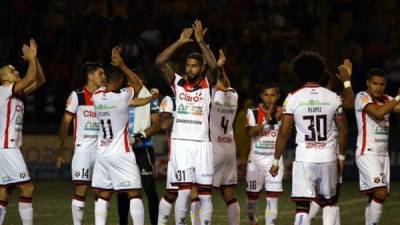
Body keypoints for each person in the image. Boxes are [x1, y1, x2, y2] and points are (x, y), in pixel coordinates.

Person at [269, 51, 348, 225]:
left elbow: (284, 133)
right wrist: (341, 157)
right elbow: (343, 130)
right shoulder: (333, 97)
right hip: (328, 157)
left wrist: (276, 160)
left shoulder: (293, 98)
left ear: (298, 73)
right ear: (320, 72)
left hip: (305, 158)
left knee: (302, 207)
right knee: (329, 203)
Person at [155, 20, 221, 225]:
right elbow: (159, 62)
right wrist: (180, 42)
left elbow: (214, 66)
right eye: (188, 66)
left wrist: (201, 41)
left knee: (205, 195)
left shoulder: (208, 84)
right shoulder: (177, 83)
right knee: (183, 193)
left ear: (201, 68)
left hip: (202, 144)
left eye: (194, 66)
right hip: (181, 143)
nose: (190, 69)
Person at [91, 47, 145, 225]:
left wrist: (112, 71)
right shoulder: (122, 97)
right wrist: (122, 65)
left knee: (104, 195)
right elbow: (138, 85)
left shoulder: (97, 96)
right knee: (135, 193)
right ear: (121, 80)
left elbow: (107, 84)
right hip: (121, 153)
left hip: (103, 154)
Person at [0, 39, 45, 225]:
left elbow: (40, 80)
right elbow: (29, 77)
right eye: (12, 71)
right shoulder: (4, 91)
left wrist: (36, 58)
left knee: (4, 191)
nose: (16, 72)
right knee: (27, 188)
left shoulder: (15, 92)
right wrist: (31, 59)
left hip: (6, 148)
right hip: (7, 147)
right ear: (3, 78)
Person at [55, 61, 106, 225]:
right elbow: (65, 122)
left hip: (101, 151)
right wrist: (59, 150)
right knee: (81, 190)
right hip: (83, 151)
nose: (104, 77)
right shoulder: (77, 95)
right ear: (90, 76)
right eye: (100, 73)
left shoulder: (105, 95)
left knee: (101, 192)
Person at [309, 59, 355, 225]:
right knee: (328, 197)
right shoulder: (333, 99)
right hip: (329, 154)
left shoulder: (305, 98)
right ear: (329, 84)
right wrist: (347, 81)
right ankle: (304, 220)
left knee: (328, 197)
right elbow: (350, 103)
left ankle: (304, 218)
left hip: (310, 152)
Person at [354, 69, 400, 225]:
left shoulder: (387, 98)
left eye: (382, 84)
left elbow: (397, 108)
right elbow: (379, 113)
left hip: (383, 154)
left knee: (378, 195)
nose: (378, 87)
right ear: (368, 83)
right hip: (367, 152)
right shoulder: (362, 96)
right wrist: (398, 97)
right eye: (375, 83)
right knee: (381, 193)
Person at [117, 78, 160, 225]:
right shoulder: (120, 97)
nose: (130, 87)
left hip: (144, 149)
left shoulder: (150, 99)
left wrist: (139, 137)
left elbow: (156, 126)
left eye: (134, 84)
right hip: (125, 150)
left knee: (149, 189)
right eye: (128, 83)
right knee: (123, 190)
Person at [245, 83, 283, 225]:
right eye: (266, 95)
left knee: (272, 199)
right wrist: (266, 120)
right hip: (255, 160)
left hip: (275, 160)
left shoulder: (284, 113)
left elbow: (286, 134)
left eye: (273, 95)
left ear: (277, 96)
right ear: (261, 96)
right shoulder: (253, 111)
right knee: (251, 200)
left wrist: (282, 119)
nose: (269, 98)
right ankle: (252, 219)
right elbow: (250, 132)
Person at [157, 93, 177, 225]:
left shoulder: (201, 97)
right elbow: (164, 124)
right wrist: (184, 115)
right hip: (177, 156)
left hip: (197, 153)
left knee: (199, 193)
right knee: (172, 193)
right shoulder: (169, 100)